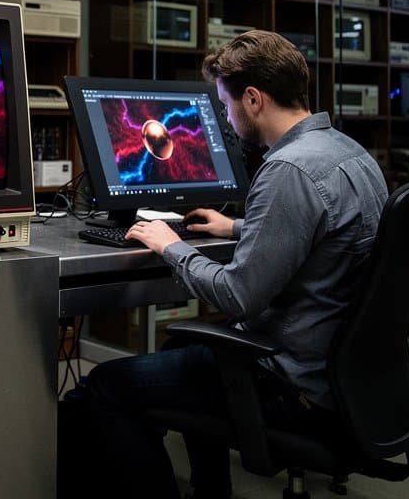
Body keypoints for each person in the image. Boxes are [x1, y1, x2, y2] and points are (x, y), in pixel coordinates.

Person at [83, 29, 388, 499]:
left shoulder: (288, 170)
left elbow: (238, 294)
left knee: (106, 387)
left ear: (253, 99)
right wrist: (236, 228)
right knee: (177, 356)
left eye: (225, 105)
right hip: (352, 383)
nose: (225, 117)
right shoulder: (350, 154)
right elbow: (331, 236)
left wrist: (170, 246)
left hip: (291, 385)